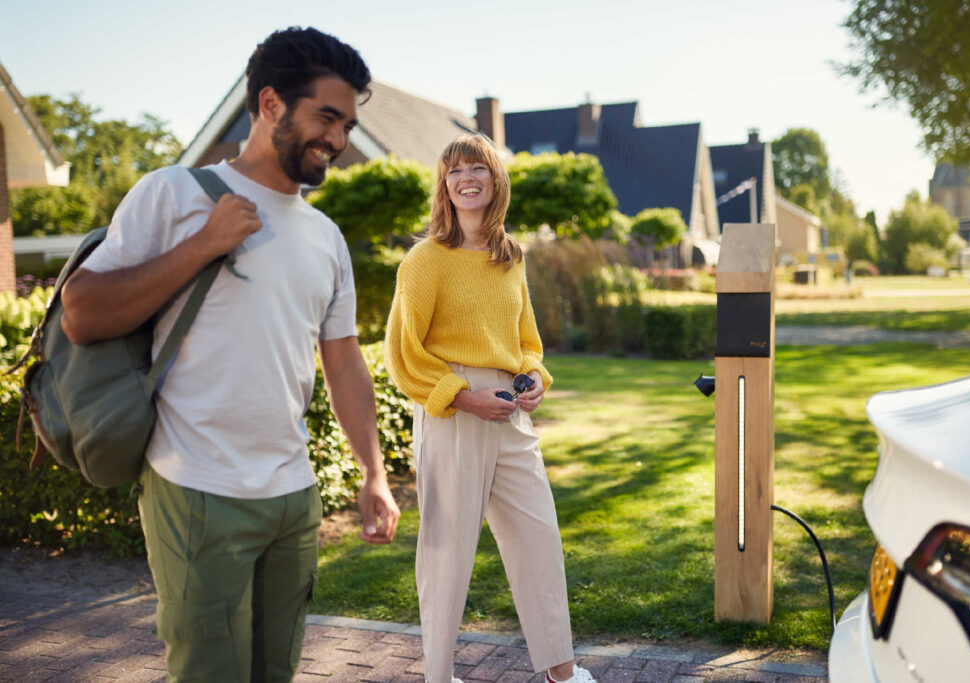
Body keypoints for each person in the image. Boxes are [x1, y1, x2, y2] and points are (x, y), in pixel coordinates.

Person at [60, 27, 400, 682]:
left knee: (275, 672)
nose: (339, 138)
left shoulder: (327, 237)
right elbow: (81, 312)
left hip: (293, 497)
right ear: (271, 103)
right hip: (197, 488)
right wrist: (202, 245)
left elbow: (344, 361)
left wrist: (373, 472)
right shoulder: (173, 193)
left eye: (348, 123)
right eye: (327, 116)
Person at [384, 133, 596, 683]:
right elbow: (404, 353)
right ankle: (438, 676)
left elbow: (527, 339)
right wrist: (463, 397)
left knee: (539, 540)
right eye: (454, 171)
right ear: (444, 185)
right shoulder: (425, 259)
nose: (465, 178)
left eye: (476, 167)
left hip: (511, 409)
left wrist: (534, 378)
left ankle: (562, 673)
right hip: (454, 408)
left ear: (495, 179)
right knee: (447, 551)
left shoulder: (511, 256)